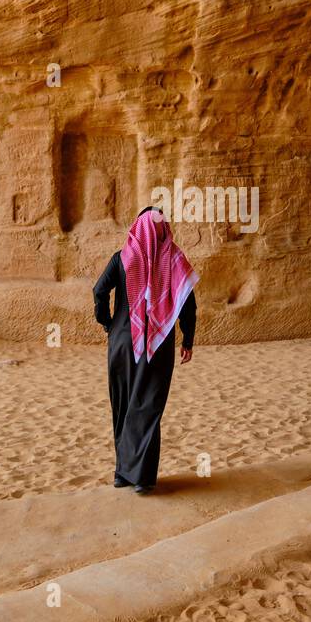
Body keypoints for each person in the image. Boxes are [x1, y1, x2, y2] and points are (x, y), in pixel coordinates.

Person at [93, 206, 199, 494]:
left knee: (124, 403)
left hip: (122, 344)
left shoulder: (122, 259)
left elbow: (99, 292)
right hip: (158, 345)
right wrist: (187, 339)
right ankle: (140, 477)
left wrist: (108, 324)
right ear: (164, 229)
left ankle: (121, 475)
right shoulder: (175, 261)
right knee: (147, 407)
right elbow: (187, 305)